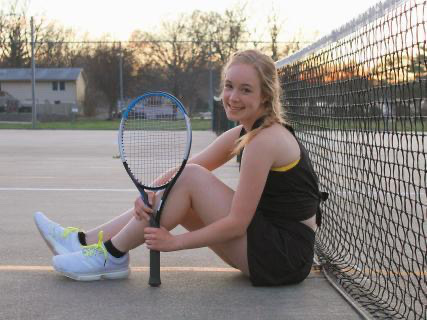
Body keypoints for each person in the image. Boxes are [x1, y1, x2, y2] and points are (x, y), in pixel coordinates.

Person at [34, 49, 326, 286]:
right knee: (181, 182)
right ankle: (82, 242)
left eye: (245, 90)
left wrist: (176, 243)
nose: (233, 97)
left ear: (265, 96)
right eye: (229, 86)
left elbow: (236, 222)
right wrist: (149, 194)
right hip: (268, 242)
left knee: (190, 179)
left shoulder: (265, 140)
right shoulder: (245, 133)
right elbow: (179, 174)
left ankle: (111, 255)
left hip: (284, 256)